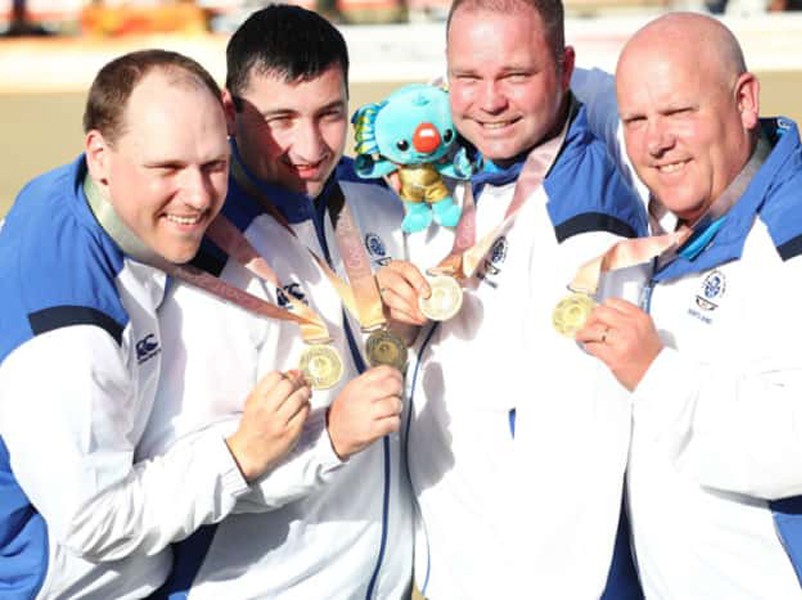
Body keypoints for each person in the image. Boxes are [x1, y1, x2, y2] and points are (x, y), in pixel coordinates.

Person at [579, 12, 802, 599]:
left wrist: (654, 374)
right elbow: (578, 88)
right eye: (636, 119)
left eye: (679, 112)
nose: (656, 141)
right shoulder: (700, 200)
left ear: (745, 102)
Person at [0, 50, 313, 599]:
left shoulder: (75, 188)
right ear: (100, 154)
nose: (198, 195)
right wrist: (240, 454)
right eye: (167, 169)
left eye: (214, 164)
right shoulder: (70, 341)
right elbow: (96, 523)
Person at [137, 5, 412, 598]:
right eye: (281, 119)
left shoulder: (380, 205)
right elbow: (185, 475)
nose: (309, 146)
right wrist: (331, 441)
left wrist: (408, 331)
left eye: (329, 114)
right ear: (230, 114)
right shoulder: (200, 256)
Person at [375, 0, 648, 596]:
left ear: (565, 67)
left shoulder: (583, 216)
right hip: (464, 556)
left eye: (516, 77)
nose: (489, 101)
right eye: (468, 78)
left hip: (537, 574)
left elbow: (578, 454)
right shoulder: (465, 165)